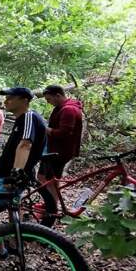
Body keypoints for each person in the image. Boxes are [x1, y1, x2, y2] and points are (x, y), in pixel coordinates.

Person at [0, 87, 46, 259]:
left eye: (11, 98)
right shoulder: (21, 120)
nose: (7, 101)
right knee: (12, 208)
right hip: (10, 175)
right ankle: (14, 243)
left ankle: (0, 249)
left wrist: (15, 174)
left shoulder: (29, 117)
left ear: (24, 100)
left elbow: (25, 145)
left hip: (14, 177)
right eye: (6, 98)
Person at [38, 85, 83, 216]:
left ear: (58, 95)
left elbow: (64, 132)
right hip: (51, 150)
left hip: (59, 152)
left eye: (49, 99)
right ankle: (50, 203)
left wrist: (46, 130)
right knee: (42, 177)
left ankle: (52, 208)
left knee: (51, 180)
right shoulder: (61, 108)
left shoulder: (69, 110)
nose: (48, 102)